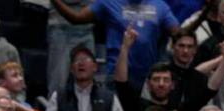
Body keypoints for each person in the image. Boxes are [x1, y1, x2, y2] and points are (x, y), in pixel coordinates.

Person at [46, 0, 178, 88]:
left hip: (147, 77)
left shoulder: (160, 5)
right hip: (116, 76)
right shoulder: (109, 2)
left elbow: (179, 34)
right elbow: (76, 18)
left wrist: (200, 17)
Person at [43, 44, 129, 111]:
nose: (81, 63)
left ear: (95, 67)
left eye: (85, 59)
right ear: (71, 69)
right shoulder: (59, 96)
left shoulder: (108, 97)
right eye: (76, 60)